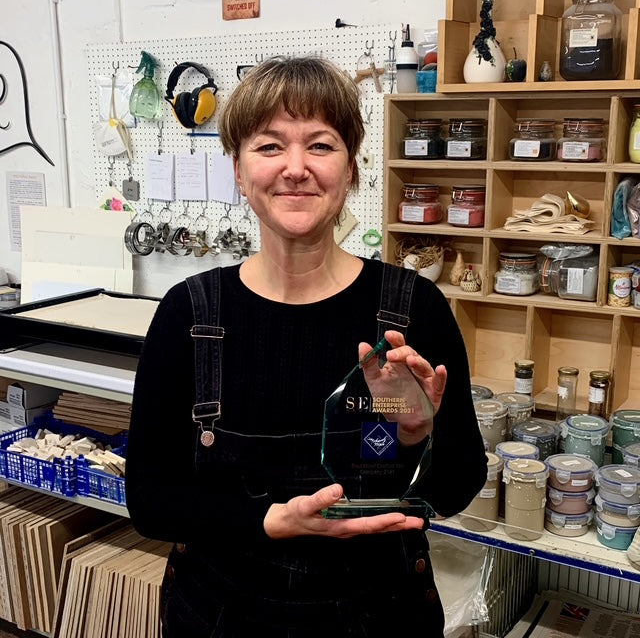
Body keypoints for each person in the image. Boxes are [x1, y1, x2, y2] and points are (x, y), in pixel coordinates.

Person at [125, 55, 487, 638]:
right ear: (239, 173)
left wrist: (418, 434)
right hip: (221, 616)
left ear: (350, 172)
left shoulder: (415, 310)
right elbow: (149, 500)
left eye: (320, 145)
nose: (296, 168)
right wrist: (269, 520)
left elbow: (456, 489)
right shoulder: (187, 317)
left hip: (380, 615)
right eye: (269, 147)